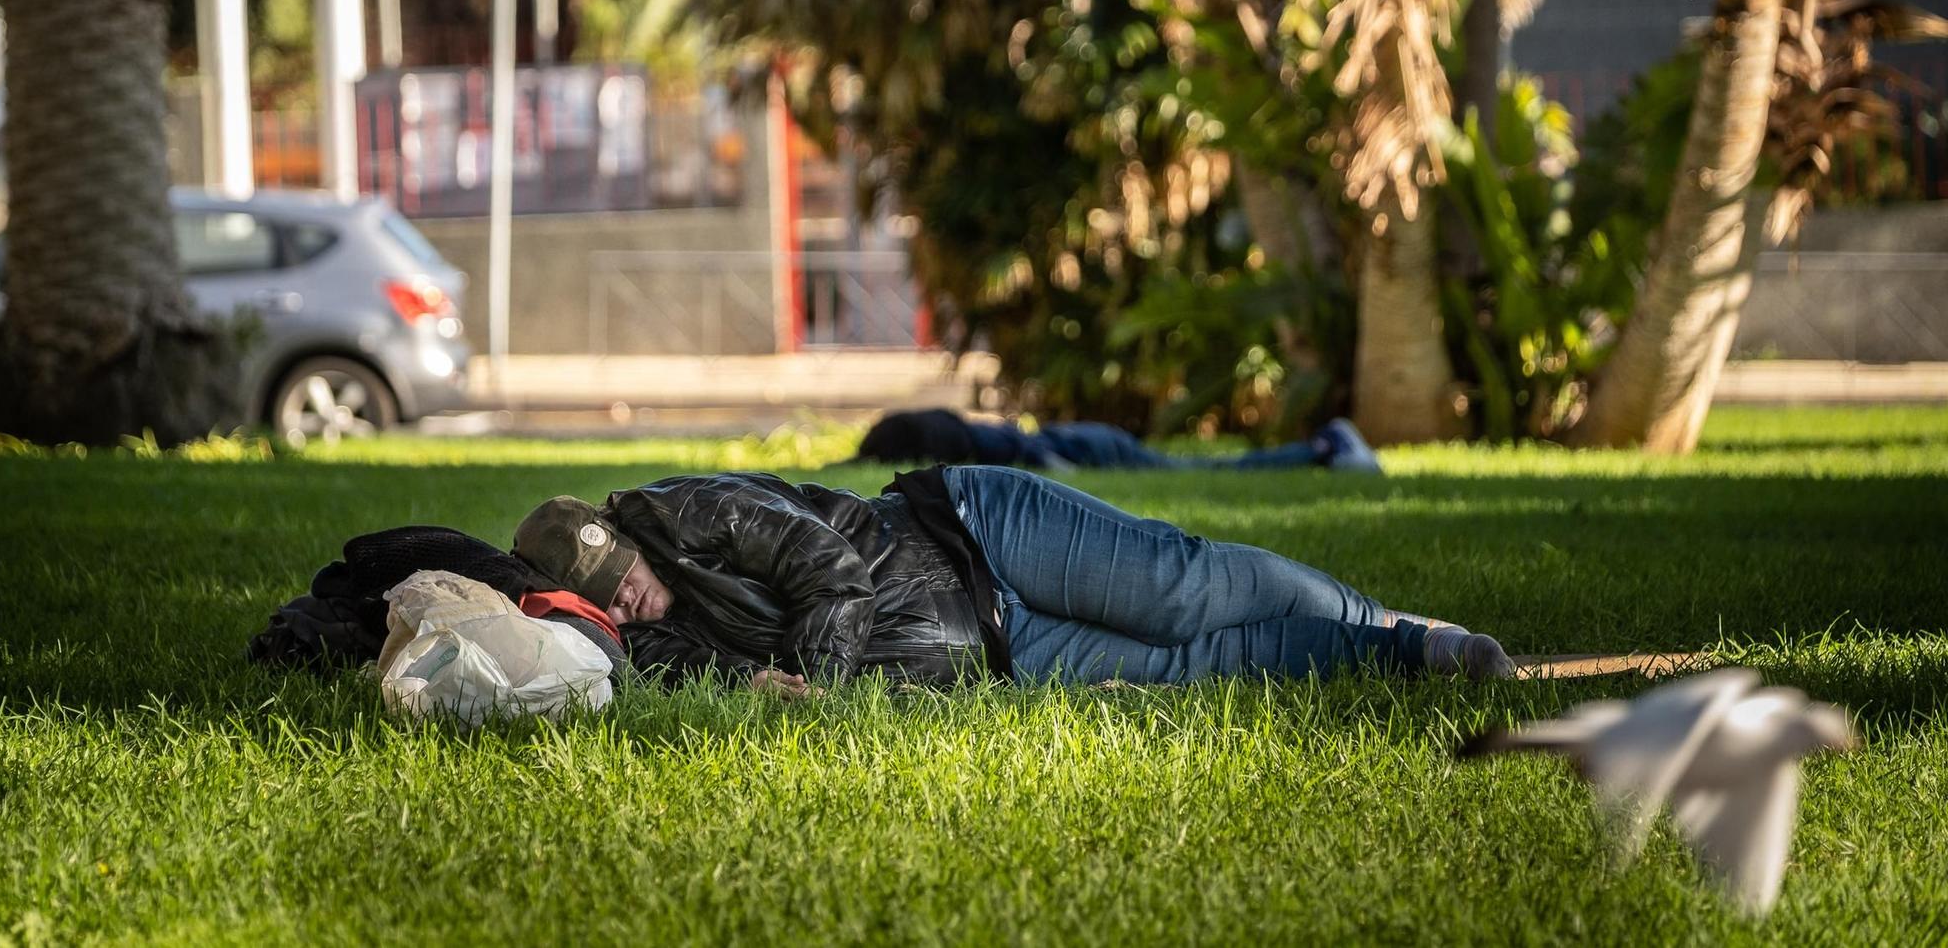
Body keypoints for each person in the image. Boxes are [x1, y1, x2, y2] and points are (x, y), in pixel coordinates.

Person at [511, 465, 1511, 697]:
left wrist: (812, 686)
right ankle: (1410, 650)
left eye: (624, 574)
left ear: (623, 533)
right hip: (996, 650)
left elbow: (829, 573)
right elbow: (710, 678)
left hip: (977, 534)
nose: (628, 595)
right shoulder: (642, 646)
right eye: (608, 599)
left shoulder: (687, 511)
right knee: (1201, 662)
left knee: (1184, 589)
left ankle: (1362, 610)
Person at [851, 408, 1382, 473]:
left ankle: (1323, 448)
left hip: (1092, 447)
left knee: (1201, 472)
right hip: (1089, 435)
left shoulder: (966, 446)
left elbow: (1028, 451)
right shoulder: (953, 431)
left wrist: (1064, 472)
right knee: (1201, 469)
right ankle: (1321, 450)